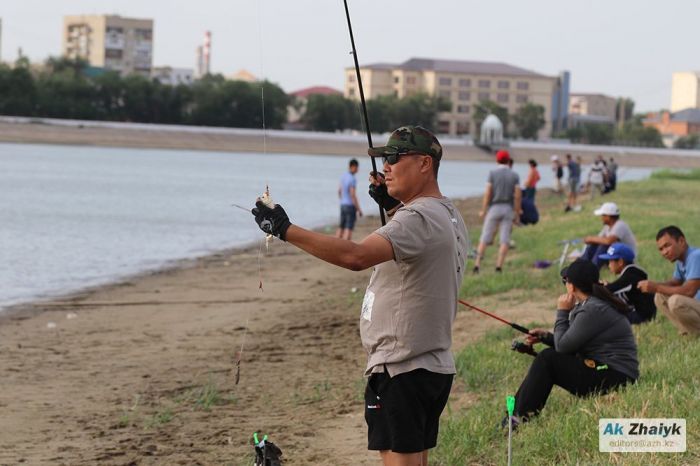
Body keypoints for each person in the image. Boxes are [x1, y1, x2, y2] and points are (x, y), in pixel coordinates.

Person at [251, 125, 468, 466]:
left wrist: (283, 229)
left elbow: (355, 256)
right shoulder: (447, 212)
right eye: (385, 159)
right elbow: (418, 250)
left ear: (425, 164)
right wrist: (394, 204)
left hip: (403, 368)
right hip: (428, 366)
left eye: (394, 158)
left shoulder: (417, 218)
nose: (386, 167)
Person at [505, 259, 638, 427]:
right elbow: (571, 344)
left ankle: (517, 419)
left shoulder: (592, 308)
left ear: (572, 286)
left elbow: (563, 347)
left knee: (548, 359)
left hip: (615, 377)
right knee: (550, 358)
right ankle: (517, 415)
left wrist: (562, 312)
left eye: (565, 281)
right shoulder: (593, 304)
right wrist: (546, 337)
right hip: (611, 372)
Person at [638, 226, 700, 335]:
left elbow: (689, 291)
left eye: (667, 246)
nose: (664, 252)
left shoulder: (696, 257)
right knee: (660, 296)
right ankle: (686, 331)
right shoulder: (681, 260)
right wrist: (651, 286)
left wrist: (656, 287)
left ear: (681, 241)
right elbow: (675, 282)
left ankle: (695, 332)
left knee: (676, 301)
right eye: (661, 249)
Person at [473, 150, 521, 274]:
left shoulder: (492, 173)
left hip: (494, 208)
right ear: (508, 160)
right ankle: (499, 266)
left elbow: (488, 192)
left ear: (497, 160)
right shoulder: (514, 175)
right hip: (508, 208)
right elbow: (517, 196)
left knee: (485, 237)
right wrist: (516, 213)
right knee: (504, 239)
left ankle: (477, 264)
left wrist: (484, 210)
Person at [598, 242, 656, 324]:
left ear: (620, 262)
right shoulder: (632, 272)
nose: (609, 265)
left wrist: (601, 286)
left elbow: (610, 290)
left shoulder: (631, 275)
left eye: (610, 261)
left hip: (640, 316)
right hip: (640, 313)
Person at [581, 202, 637, 268]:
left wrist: (590, 238)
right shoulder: (608, 227)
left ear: (608, 216)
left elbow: (609, 241)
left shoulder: (620, 225)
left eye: (603, 215)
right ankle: (581, 265)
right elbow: (599, 239)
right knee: (594, 245)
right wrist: (590, 240)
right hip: (616, 254)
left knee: (604, 246)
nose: (601, 218)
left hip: (625, 258)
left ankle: (592, 269)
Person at [336, 158, 363, 240]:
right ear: (353, 167)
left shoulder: (343, 176)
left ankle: (335, 246)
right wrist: (359, 209)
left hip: (343, 205)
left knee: (341, 227)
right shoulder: (352, 179)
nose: (358, 169)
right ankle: (345, 249)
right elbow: (352, 195)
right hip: (350, 206)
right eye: (357, 167)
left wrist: (343, 200)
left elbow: (339, 191)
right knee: (348, 228)